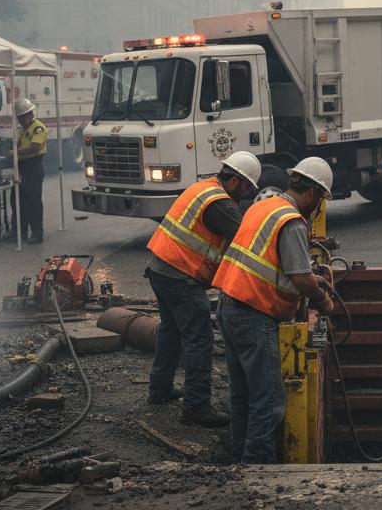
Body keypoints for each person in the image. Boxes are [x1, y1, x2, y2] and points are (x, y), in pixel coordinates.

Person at [210, 156, 336, 464]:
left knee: (243, 393)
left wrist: (310, 276)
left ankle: (240, 458)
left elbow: (270, 260)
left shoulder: (263, 206)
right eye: (320, 199)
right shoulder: (291, 221)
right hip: (253, 314)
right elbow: (300, 278)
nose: (317, 206)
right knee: (268, 400)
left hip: (229, 306)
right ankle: (258, 469)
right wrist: (322, 298)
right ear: (313, 194)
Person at [144, 151, 263, 427]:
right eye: (247, 188)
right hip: (179, 275)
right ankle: (196, 407)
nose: (247, 194)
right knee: (199, 338)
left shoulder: (203, 188)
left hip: (159, 266)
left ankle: (159, 389)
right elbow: (246, 244)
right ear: (235, 181)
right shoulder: (222, 205)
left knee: (171, 331)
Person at [14, 98, 47, 244]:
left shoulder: (37, 128)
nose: (21, 120)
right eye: (19, 117)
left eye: (23, 117)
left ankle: (37, 233)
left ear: (30, 114)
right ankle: (20, 232)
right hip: (23, 167)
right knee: (21, 201)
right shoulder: (24, 129)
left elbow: (35, 147)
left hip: (33, 167)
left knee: (34, 201)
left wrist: (16, 152)